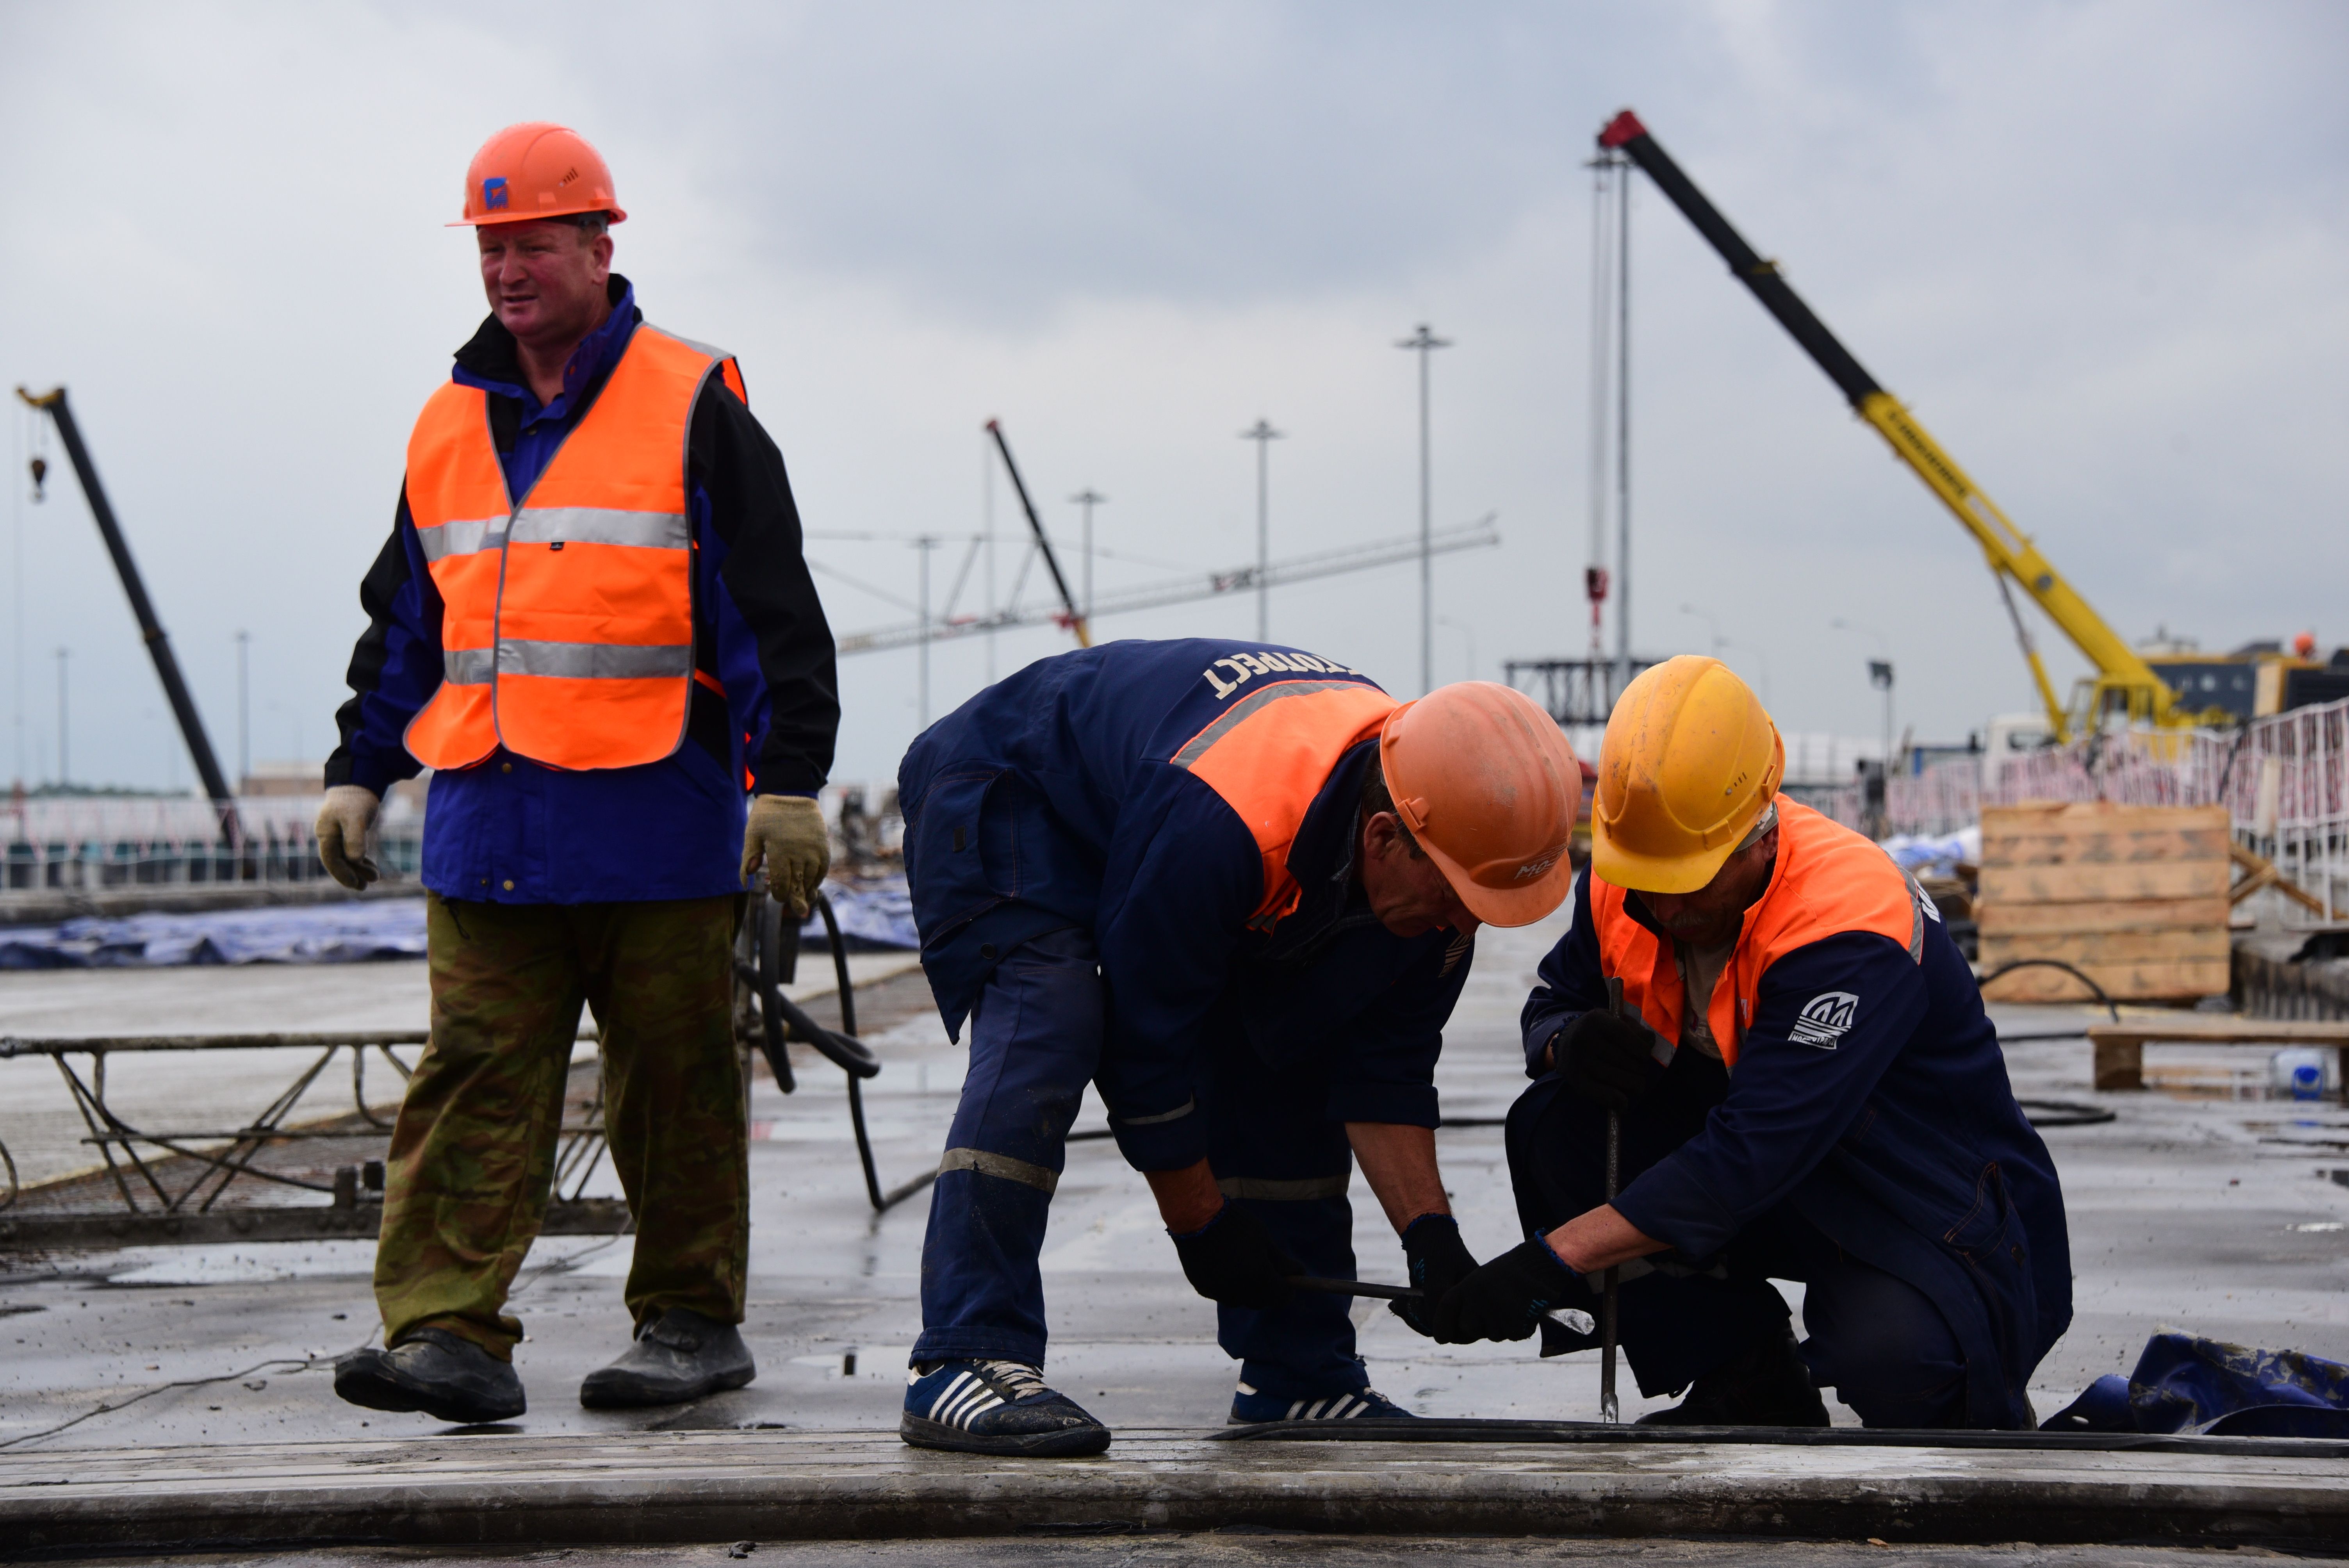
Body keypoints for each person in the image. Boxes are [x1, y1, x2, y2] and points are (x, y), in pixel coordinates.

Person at [316, 123, 838, 1425]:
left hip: (655, 820)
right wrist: (357, 769)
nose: (508, 268)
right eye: (491, 246)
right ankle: (446, 1332)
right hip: (488, 819)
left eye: (535, 243)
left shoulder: (691, 398)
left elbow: (768, 607)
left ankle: (686, 1317)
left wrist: (789, 780)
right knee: (473, 1075)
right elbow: (407, 621)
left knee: (673, 1081)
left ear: (600, 248)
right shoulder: (447, 421)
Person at [894, 641, 1583, 1455]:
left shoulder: (1435, 874)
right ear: (1383, 837)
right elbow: (1146, 1040)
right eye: (1451, 896)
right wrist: (1200, 1223)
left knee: (1288, 1043)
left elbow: (1383, 1069)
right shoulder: (1222, 825)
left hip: (1158, 817)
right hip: (1019, 792)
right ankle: (966, 1352)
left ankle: (1299, 1375)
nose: (1459, 925)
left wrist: (1431, 1239)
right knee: (1053, 1016)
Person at [1430, 655, 2070, 1429]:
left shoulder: (1846, 924)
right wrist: (1567, 1040)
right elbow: (1552, 1001)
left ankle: (1960, 1410)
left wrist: (1552, 1258)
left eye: (1687, 885)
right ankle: (1747, 1375)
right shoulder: (1627, 876)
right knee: (1552, 1130)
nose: (1662, 910)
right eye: (1646, 883)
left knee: (1893, 1358)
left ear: (1757, 838)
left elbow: (1750, 1153)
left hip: (1913, 1198)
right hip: (1774, 1183)